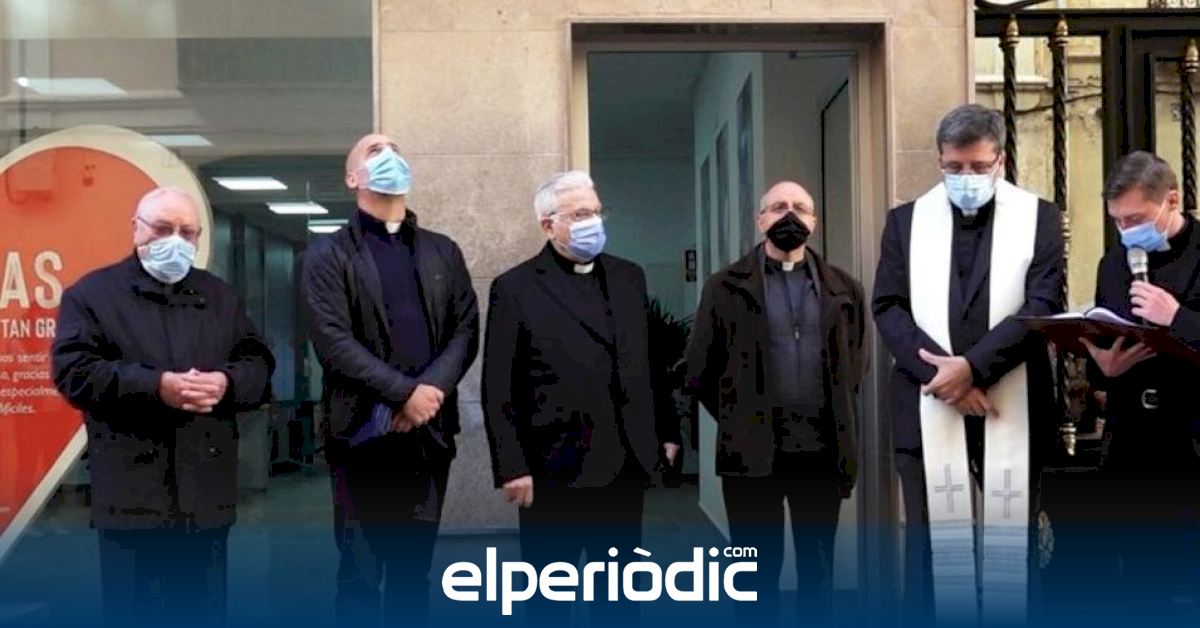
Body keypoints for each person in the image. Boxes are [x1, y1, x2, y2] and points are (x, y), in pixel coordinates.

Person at [871, 104, 1064, 623]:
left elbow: (1043, 305)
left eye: (978, 167)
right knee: (928, 546)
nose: (966, 177)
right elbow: (888, 306)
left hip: (1012, 399)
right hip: (928, 400)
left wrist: (974, 368)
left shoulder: (1040, 218)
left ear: (1000, 160)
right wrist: (947, 379)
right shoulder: (905, 222)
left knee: (1014, 544)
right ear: (939, 158)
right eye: (954, 167)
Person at [51, 186, 275, 627]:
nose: (176, 240)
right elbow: (74, 372)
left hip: (205, 498)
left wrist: (227, 384)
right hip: (132, 501)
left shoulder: (219, 297)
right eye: (162, 228)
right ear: (136, 229)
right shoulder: (93, 295)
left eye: (187, 232)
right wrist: (156, 387)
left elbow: (259, 364)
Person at [482, 170, 679, 625]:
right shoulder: (515, 288)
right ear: (548, 225)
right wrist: (512, 466)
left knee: (619, 600)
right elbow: (498, 385)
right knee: (549, 602)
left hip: (623, 463)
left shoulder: (629, 277)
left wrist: (666, 430)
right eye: (579, 214)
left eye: (596, 211)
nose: (592, 221)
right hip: (553, 469)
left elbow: (649, 361)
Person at [302, 133, 479, 626]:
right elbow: (333, 342)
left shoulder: (443, 251)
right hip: (361, 436)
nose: (390, 156)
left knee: (413, 575)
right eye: (374, 151)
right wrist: (403, 394)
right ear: (352, 178)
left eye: (395, 149)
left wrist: (428, 394)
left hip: (428, 437)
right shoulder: (326, 255)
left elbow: (466, 329)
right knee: (359, 576)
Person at [684, 180, 866, 625]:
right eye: (779, 206)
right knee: (753, 574)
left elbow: (855, 365)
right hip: (752, 455)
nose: (790, 215)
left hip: (821, 453)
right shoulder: (725, 287)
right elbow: (700, 370)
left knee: (818, 574)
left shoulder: (844, 289)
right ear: (760, 219)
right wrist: (738, 416)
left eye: (800, 207)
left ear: (814, 222)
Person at [1082, 151, 1200, 617]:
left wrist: (1178, 317)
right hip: (1132, 437)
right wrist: (1101, 368)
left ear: (1172, 200)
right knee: (1133, 581)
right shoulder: (1113, 264)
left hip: (1191, 435)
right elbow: (1103, 340)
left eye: (1135, 219)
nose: (1125, 230)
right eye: (1117, 220)